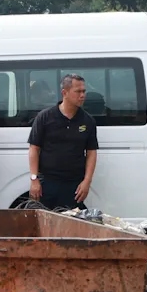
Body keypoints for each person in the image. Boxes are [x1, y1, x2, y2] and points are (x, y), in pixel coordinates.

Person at [27, 73, 98, 211]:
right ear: (64, 93)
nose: (82, 95)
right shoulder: (45, 117)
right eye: (78, 91)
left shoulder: (88, 121)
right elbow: (34, 149)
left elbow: (91, 152)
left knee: (70, 224)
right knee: (43, 223)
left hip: (74, 184)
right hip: (47, 182)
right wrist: (34, 179)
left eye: (84, 91)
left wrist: (87, 182)